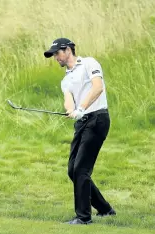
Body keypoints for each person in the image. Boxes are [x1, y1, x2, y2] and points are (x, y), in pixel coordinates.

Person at [44, 38, 116, 224]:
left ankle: (83, 218)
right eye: (53, 55)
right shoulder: (66, 79)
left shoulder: (89, 63)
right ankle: (105, 209)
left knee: (81, 169)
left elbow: (97, 87)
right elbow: (69, 99)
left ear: (68, 49)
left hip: (97, 118)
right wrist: (71, 110)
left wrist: (81, 108)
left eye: (57, 53)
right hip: (82, 122)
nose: (55, 58)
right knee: (72, 170)